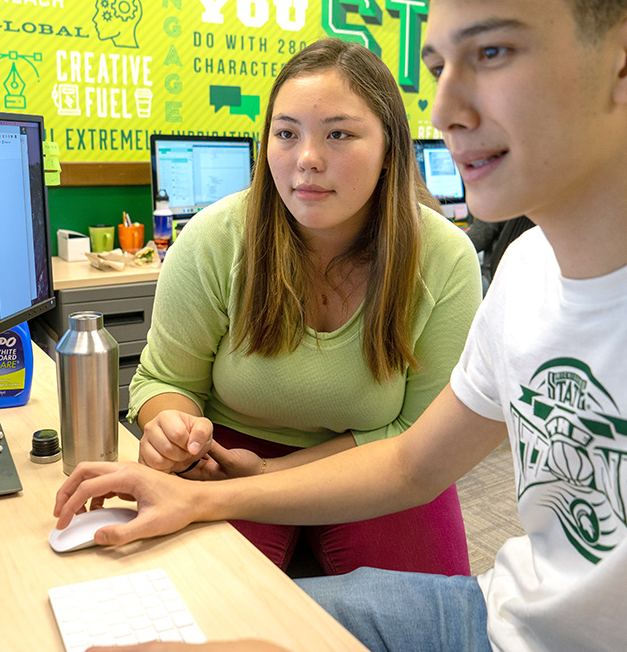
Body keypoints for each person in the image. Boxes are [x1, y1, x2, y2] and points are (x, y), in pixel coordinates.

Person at [55, 0, 627, 649]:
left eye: (494, 53)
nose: (445, 109)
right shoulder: (530, 268)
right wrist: (194, 499)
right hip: (491, 618)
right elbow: (410, 463)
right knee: (181, 631)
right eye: (438, 67)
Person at [127, 36, 482, 576]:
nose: (307, 159)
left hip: (379, 458)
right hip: (225, 455)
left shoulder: (444, 259)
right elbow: (162, 379)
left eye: (338, 134)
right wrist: (171, 428)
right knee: (208, 610)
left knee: (421, 617)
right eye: (286, 133)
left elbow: (420, 438)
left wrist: (272, 473)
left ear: (390, 150)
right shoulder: (214, 239)